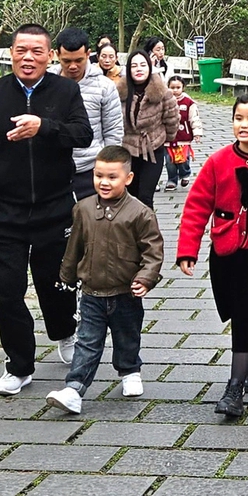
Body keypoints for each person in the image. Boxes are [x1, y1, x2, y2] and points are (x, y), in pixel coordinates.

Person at [0, 23, 94, 396]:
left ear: (49, 56)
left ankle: (64, 331)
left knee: (57, 284)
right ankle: (19, 365)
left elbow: (82, 135)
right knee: (6, 291)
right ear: (11, 54)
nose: (28, 58)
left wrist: (45, 127)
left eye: (37, 51)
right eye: (21, 50)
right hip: (2, 212)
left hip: (54, 209)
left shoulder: (65, 90)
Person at [177, 90, 248, 418]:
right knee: (235, 310)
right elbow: (197, 206)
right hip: (226, 251)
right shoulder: (218, 161)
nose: (244, 124)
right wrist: (188, 249)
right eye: (239, 118)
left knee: (247, 314)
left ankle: (234, 388)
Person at [47, 145, 165, 415]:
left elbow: (153, 250)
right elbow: (74, 246)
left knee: (127, 336)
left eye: (112, 177)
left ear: (128, 179)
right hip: (91, 293)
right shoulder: (83, 209)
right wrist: (65, 276)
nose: (104, 182)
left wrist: (146, 278)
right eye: (98, 175)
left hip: (126, 292)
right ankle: (74, 388)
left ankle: (130, 370)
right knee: (87, 342)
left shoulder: (140, 213)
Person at [55, 28, 124, 201]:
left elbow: (113, 132)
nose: (73, 66)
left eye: (79, 60)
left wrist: (106, 171)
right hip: (53, 170)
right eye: (66, 61)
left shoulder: (104, 86)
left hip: (90, 170)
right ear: (56, 55)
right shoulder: (46, 83)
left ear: (88, 54)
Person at [120, 50, 179, 206]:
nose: (139, 69)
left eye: (142, 65)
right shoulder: (119, 92)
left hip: (153, 149)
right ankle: (131, 229)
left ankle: (148, 230)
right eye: (134, 66)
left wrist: (167, 139)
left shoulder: (162, 92)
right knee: (130, 196)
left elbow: (172, 118)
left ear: (149, 67)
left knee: (145, 197)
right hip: (128, 150)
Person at [167, 79, 197, 188]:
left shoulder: (189, 102)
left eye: (178, 87)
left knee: (184, 159)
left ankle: (185, 174)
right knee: (169, 161)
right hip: (168, 138)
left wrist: (197, 132)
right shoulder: (164, 101)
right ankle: (172, 180)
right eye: (172, 87)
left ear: (183, 87)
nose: (175, 90)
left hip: (184, 136)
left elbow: (194, 118)